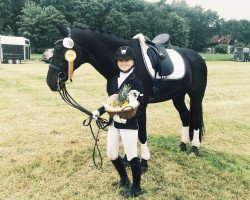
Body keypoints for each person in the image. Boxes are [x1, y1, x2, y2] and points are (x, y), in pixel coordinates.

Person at [92, 46, 144, 198]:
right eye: (120, 60)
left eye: (127, 60)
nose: (123, 63)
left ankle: (136, 187)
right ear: (117, 62)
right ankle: (124, 180)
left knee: (132, 155)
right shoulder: (113, 80)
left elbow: (139, 107)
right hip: (114, 123)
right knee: (112, 154)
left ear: (133, 61)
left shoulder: (137, 82)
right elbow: (112, 102)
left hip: (129, 124)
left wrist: (127, 115)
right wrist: (99, 111)